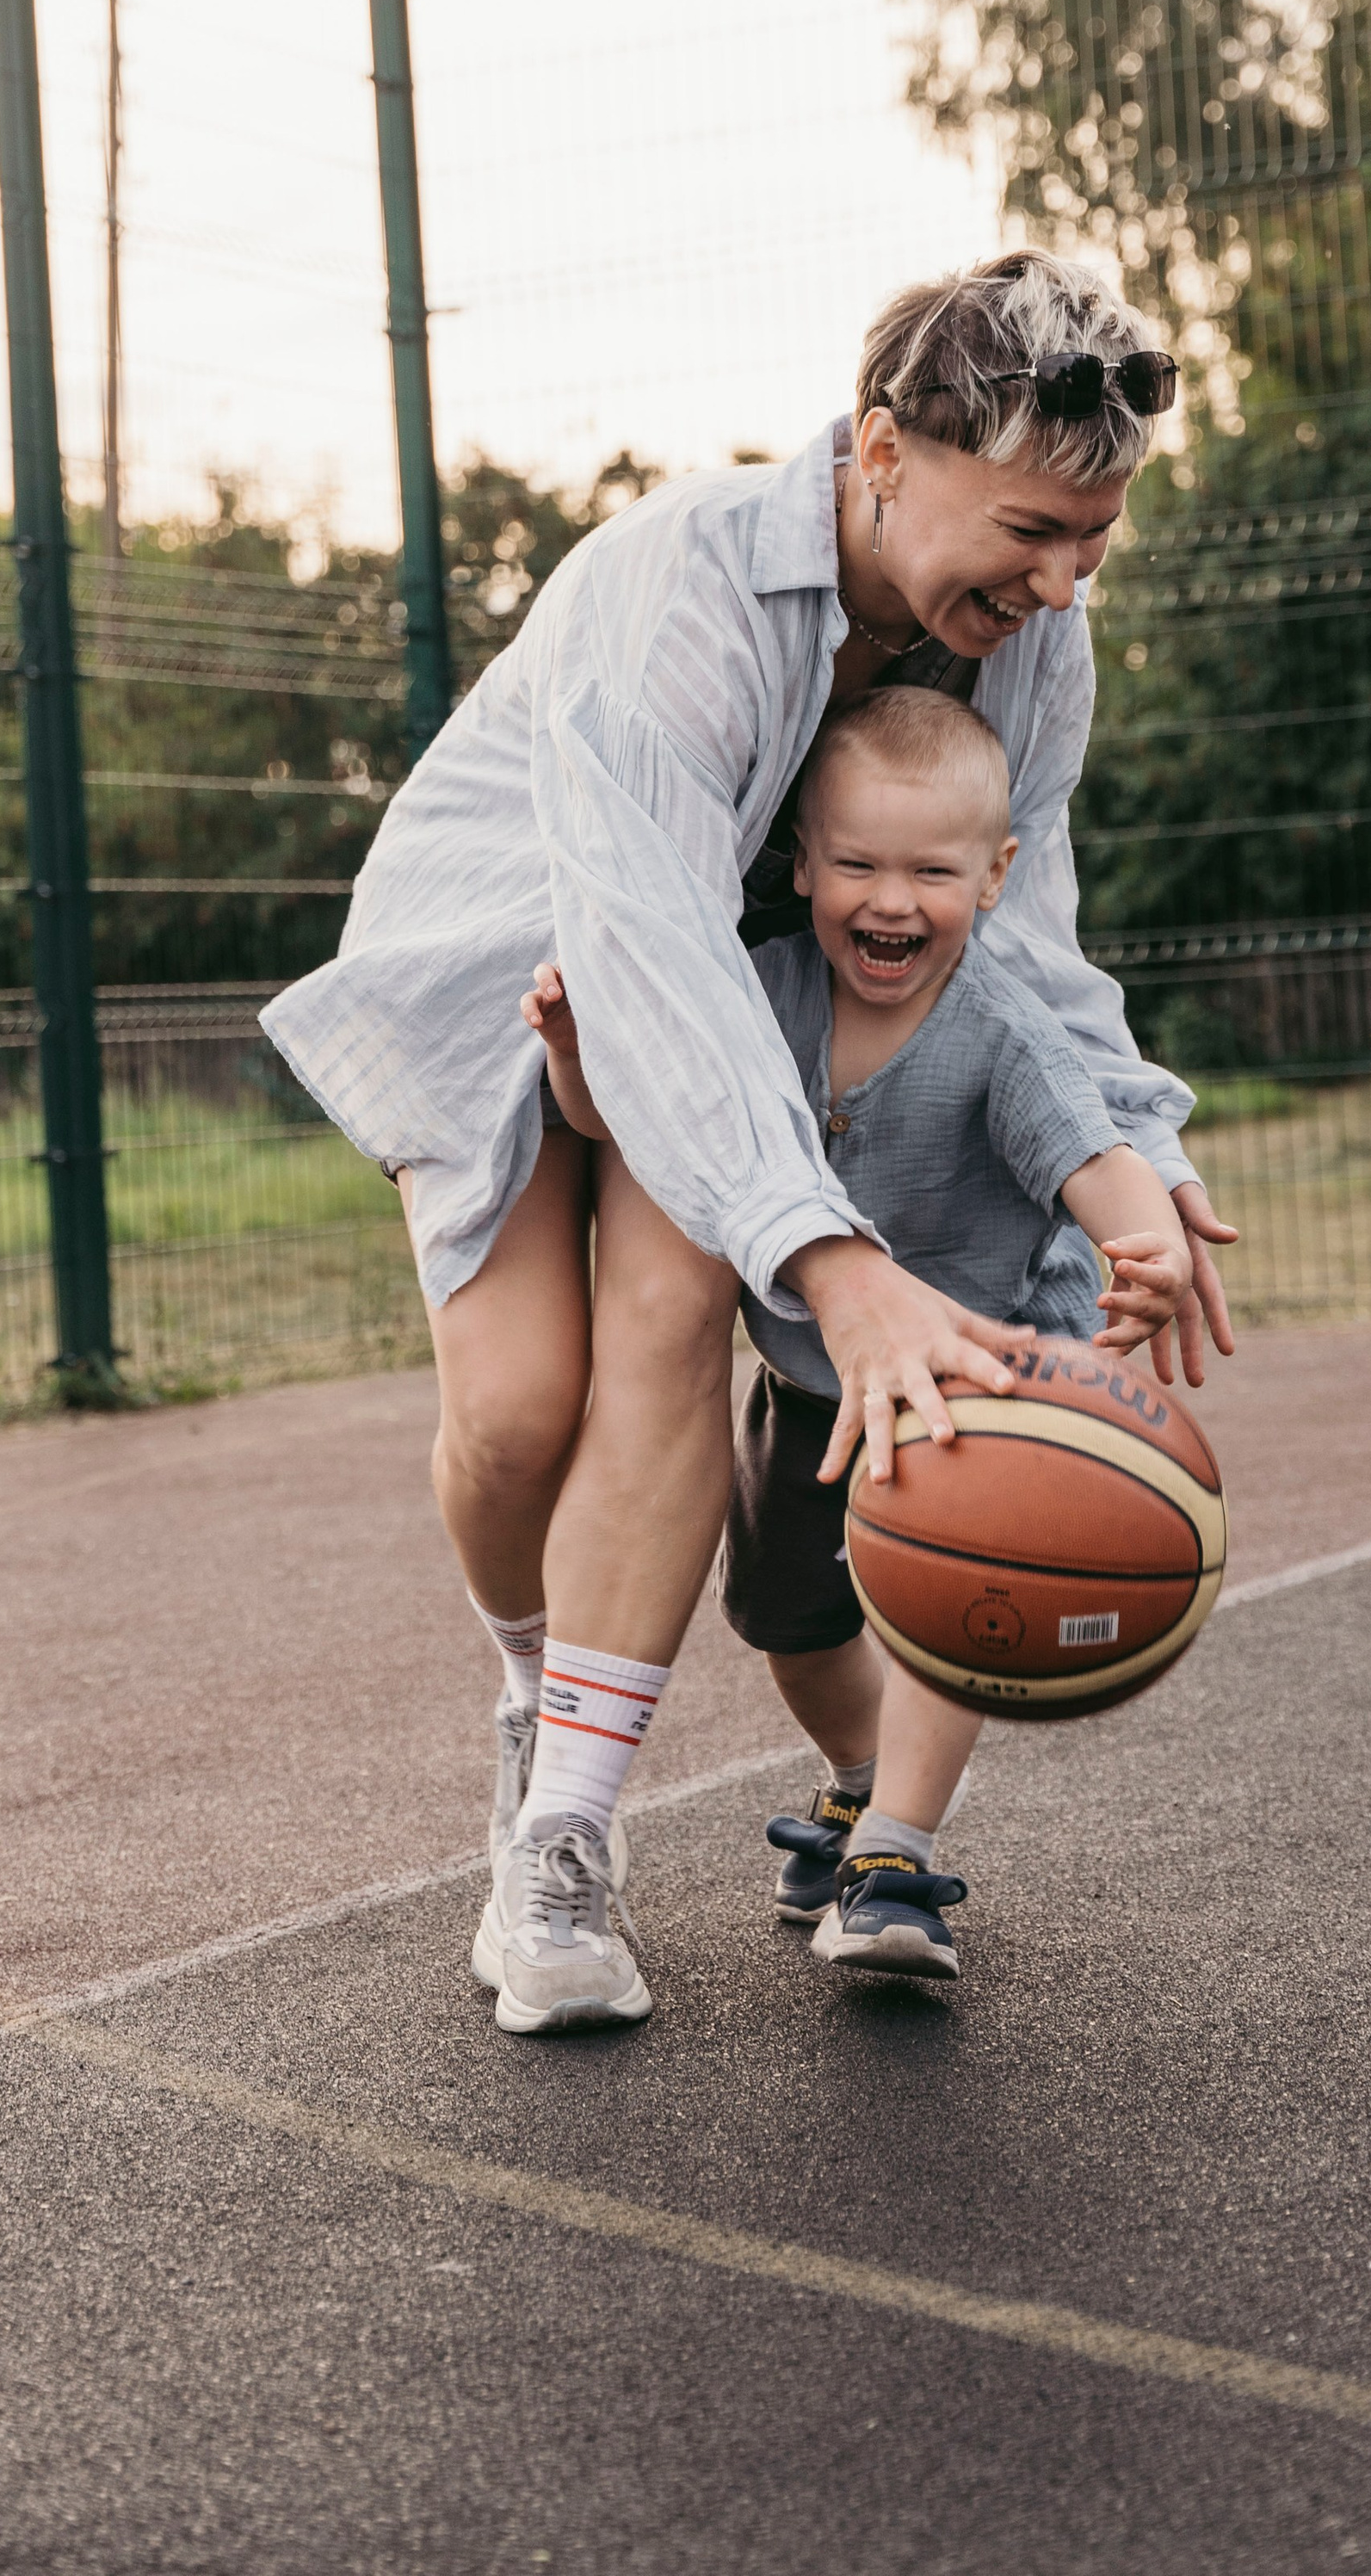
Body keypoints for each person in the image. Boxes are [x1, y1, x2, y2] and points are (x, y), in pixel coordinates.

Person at [261, 250, 1238, 2036]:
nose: (1061, 578)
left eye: (1091, 541)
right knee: (510, 1418)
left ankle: (556, 1845)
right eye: (1030, 529)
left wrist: (1131, 1142)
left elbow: (1017, 937)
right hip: (519, 976)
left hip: (739, 994)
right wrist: (835, 1259)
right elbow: (635, 949)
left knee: (659, 1327)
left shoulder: (1030, 646)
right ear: (881, 450)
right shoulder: (678, 589)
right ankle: (532, 1687)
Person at [526, 683, 1194, 1986]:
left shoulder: (1002, 1030)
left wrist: (1147, 1243)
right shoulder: (760, 995)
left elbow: (1094, 1155)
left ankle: (895, 1850)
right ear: (801, 865)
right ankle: (852, 1784)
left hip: (974, 1378)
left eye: (932, 872)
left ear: (996, 877)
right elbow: (630, 1124)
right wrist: (573, 1056)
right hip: (812, 1371)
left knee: (954, 1599)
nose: (892, 901)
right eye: (857, 866)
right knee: (789, 1618)